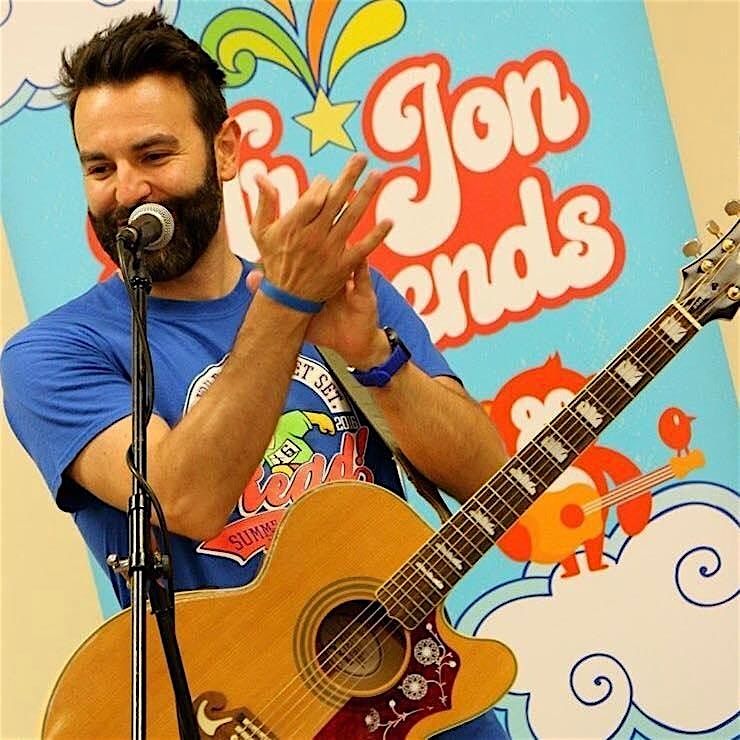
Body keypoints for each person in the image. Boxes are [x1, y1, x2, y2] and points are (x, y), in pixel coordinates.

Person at [0, 11, 509, 739]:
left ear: (225, 150)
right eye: (100, 168)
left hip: (422, 706)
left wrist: (375, 357)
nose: (128, 190)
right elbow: (184, 497)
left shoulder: (336, 291)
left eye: (154, 155)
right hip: (243, 718)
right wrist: (284, 305)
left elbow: (489, 479)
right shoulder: (52, 354)